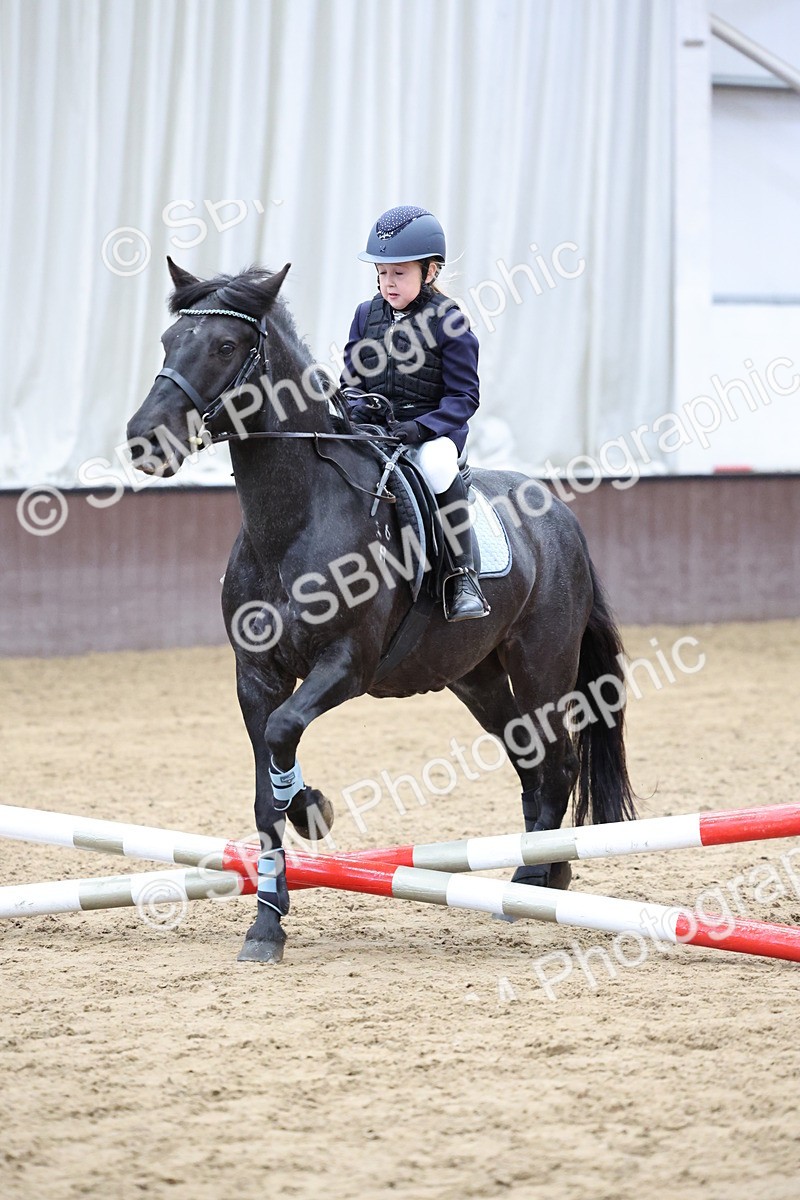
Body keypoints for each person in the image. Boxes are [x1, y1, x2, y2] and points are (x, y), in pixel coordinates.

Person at [341, 205, 489, 622]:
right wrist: (353, 406)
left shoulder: (450, 320)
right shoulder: (363, 316)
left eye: (399, 273)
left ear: (430, 272)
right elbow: (351, 379)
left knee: (440, 468)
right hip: (376, 430)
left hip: (431, 431)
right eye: (382, 272)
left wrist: (420, 429)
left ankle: (463, 578)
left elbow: (464, 397)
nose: (388, 282)